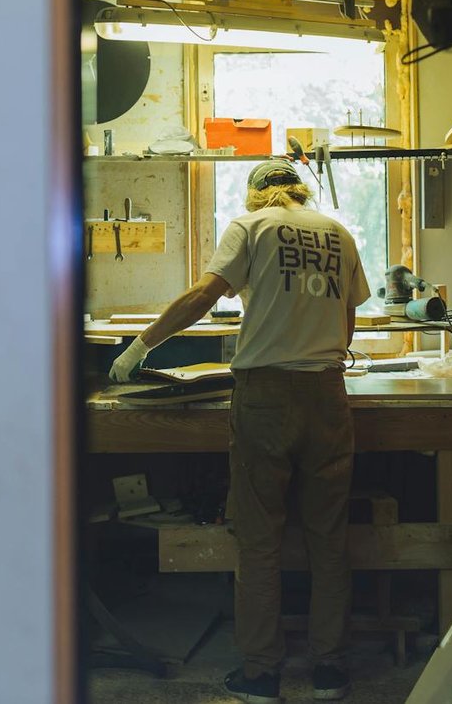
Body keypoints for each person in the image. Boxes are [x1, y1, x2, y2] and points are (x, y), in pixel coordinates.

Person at [108, 157, 370, 703]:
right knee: (329, 538)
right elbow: (346, 323)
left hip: (267, 396)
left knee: (258, 539)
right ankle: (330, 671)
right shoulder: (340, 233)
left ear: (256, 195)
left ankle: (260, 673)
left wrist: (140, 346)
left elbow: (204, 296)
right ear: (300, 191)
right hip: (327, 394)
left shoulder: (250, 227)